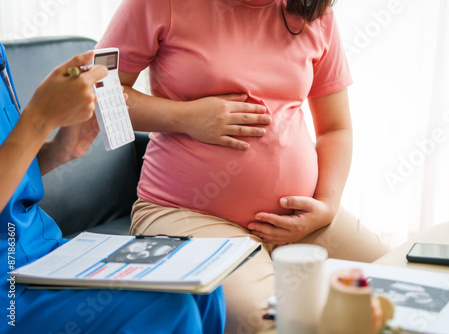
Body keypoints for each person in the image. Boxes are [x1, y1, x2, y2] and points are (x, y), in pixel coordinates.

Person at [98, 0, 392, 332]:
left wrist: (326, 205)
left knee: (401, 291)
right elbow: (97, 93)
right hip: (186, 214)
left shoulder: (312, 10)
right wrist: (187, 118)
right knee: (267, 322)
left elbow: (335, 128)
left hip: (300, 221)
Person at [0, 44, 225, 333]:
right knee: (166, 308)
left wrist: (62, 149)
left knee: (201, 284)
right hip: (9, 287)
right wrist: (40, 119)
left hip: (41, 249)